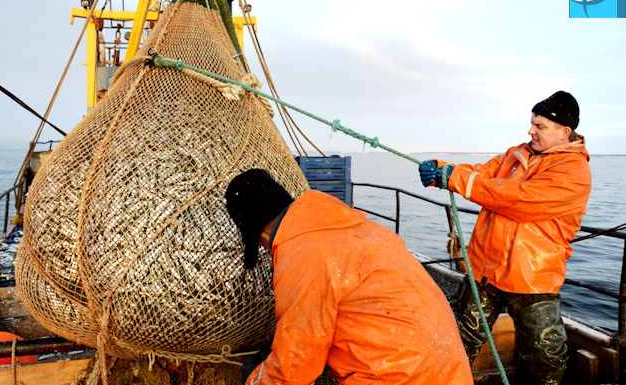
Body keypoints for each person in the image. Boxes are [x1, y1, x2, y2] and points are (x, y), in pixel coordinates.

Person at [225, 169, 473, 385]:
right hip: (448, 366)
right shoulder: (351, 225)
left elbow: (295, 367)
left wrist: (257, 377)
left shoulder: (302, 252)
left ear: (256, 231)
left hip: (399, 376)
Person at [417, 90, 591, 385]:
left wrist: (455, 178)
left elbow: (519, 199)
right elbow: (481, 174)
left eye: (539, 126)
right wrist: (440, 169)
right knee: (458, 338)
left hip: (532, 279)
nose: (530, 131)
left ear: (564, 133)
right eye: (531, 123)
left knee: (543, 358)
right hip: (486, 270)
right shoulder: (516, 154)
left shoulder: (574, 172)